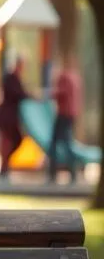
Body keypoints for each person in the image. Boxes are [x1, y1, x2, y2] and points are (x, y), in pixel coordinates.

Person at [48, 56, 84, 184]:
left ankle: (54, 174)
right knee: (66, 143)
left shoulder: (65, 77)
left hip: (64, 113)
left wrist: (49, 93)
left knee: (56, 143)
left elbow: (60, 93)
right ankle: (71, 173)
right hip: (71, 114)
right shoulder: (75, 77)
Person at [0, 53, 29, 180]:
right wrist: (30, 96)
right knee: (7, 143)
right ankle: (3, 169)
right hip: (6, 118)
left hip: (12, 118)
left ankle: (5, 166)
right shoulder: (10, 78)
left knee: (16, 140)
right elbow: (18, 94)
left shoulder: (16, 79)